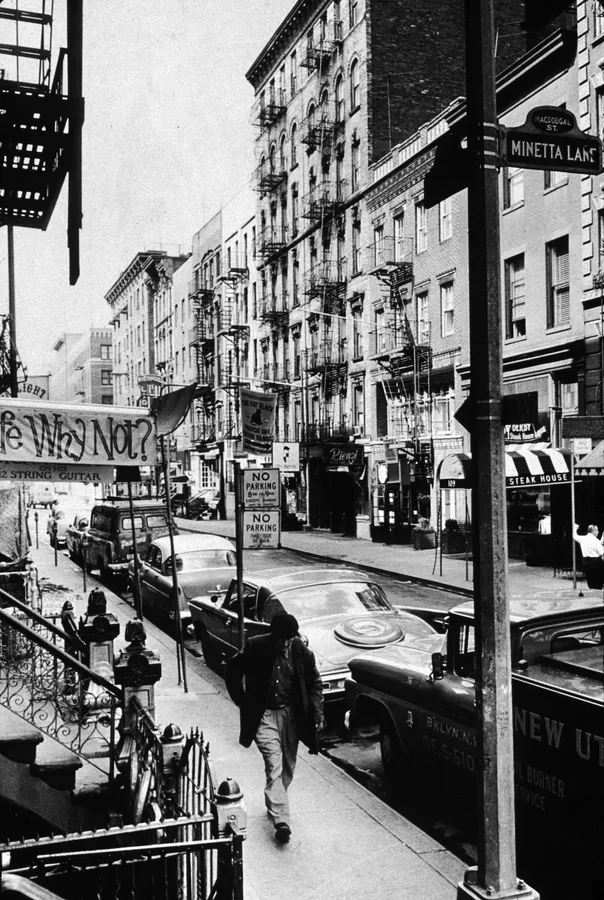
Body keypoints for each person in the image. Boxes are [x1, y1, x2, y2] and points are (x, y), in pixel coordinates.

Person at [224, 612, 325, 844]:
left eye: (290, 638)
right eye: (283, 639)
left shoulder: (301, 651)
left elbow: (314, 683)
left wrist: (318, 713)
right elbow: (232, 670)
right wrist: (242, 701)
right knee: (273, 762)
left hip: (291, 716)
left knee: (287, 766)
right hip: (265, 715)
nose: (287, 643)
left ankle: (275, 801)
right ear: (274, 636)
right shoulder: (256, 646)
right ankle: (282, 820)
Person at [572, 523, 604, 588]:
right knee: (598, 581)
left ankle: (592, 589)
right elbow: (601, 553)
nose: (598, 532)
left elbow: (574, 536)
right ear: (593, 531)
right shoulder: (596, 541)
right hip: (596, 562)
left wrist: (575, 528)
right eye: (597, 530)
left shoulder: (583, 539)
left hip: (586, 562)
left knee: (590, 580)